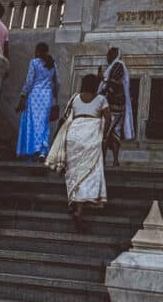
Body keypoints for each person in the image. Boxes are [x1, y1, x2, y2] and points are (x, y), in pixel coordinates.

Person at [55, 73, 110, 227]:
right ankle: (79, 209)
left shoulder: (75, 98)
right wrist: (103, 135)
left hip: (74, 134)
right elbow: (109, 118)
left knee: (73, 170)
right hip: (91, 135)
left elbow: (65, 117)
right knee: (87, 172)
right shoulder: (101, 99)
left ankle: (72, 202)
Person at [16, 42, 58, 161]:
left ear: (38, 51)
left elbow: (29, 81)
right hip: (47, 97)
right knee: (44, 123)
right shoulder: (52, 64)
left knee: (33, 124)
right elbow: (57, 83)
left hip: (34, 96)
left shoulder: (34, 62)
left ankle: (33, 149)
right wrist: (55, 98)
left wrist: (23, 94)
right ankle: (43, 150)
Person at [97, 46, 134, 167]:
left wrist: (104, 78)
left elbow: (118, 83)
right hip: (117, 104)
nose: (107, 57)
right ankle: (115, 160)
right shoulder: (115, 65)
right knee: (115, 132)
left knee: (106, 131)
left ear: (113, 55)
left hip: (114, 104)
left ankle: (103, 160)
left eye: (108, 54)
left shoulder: (118, 65)